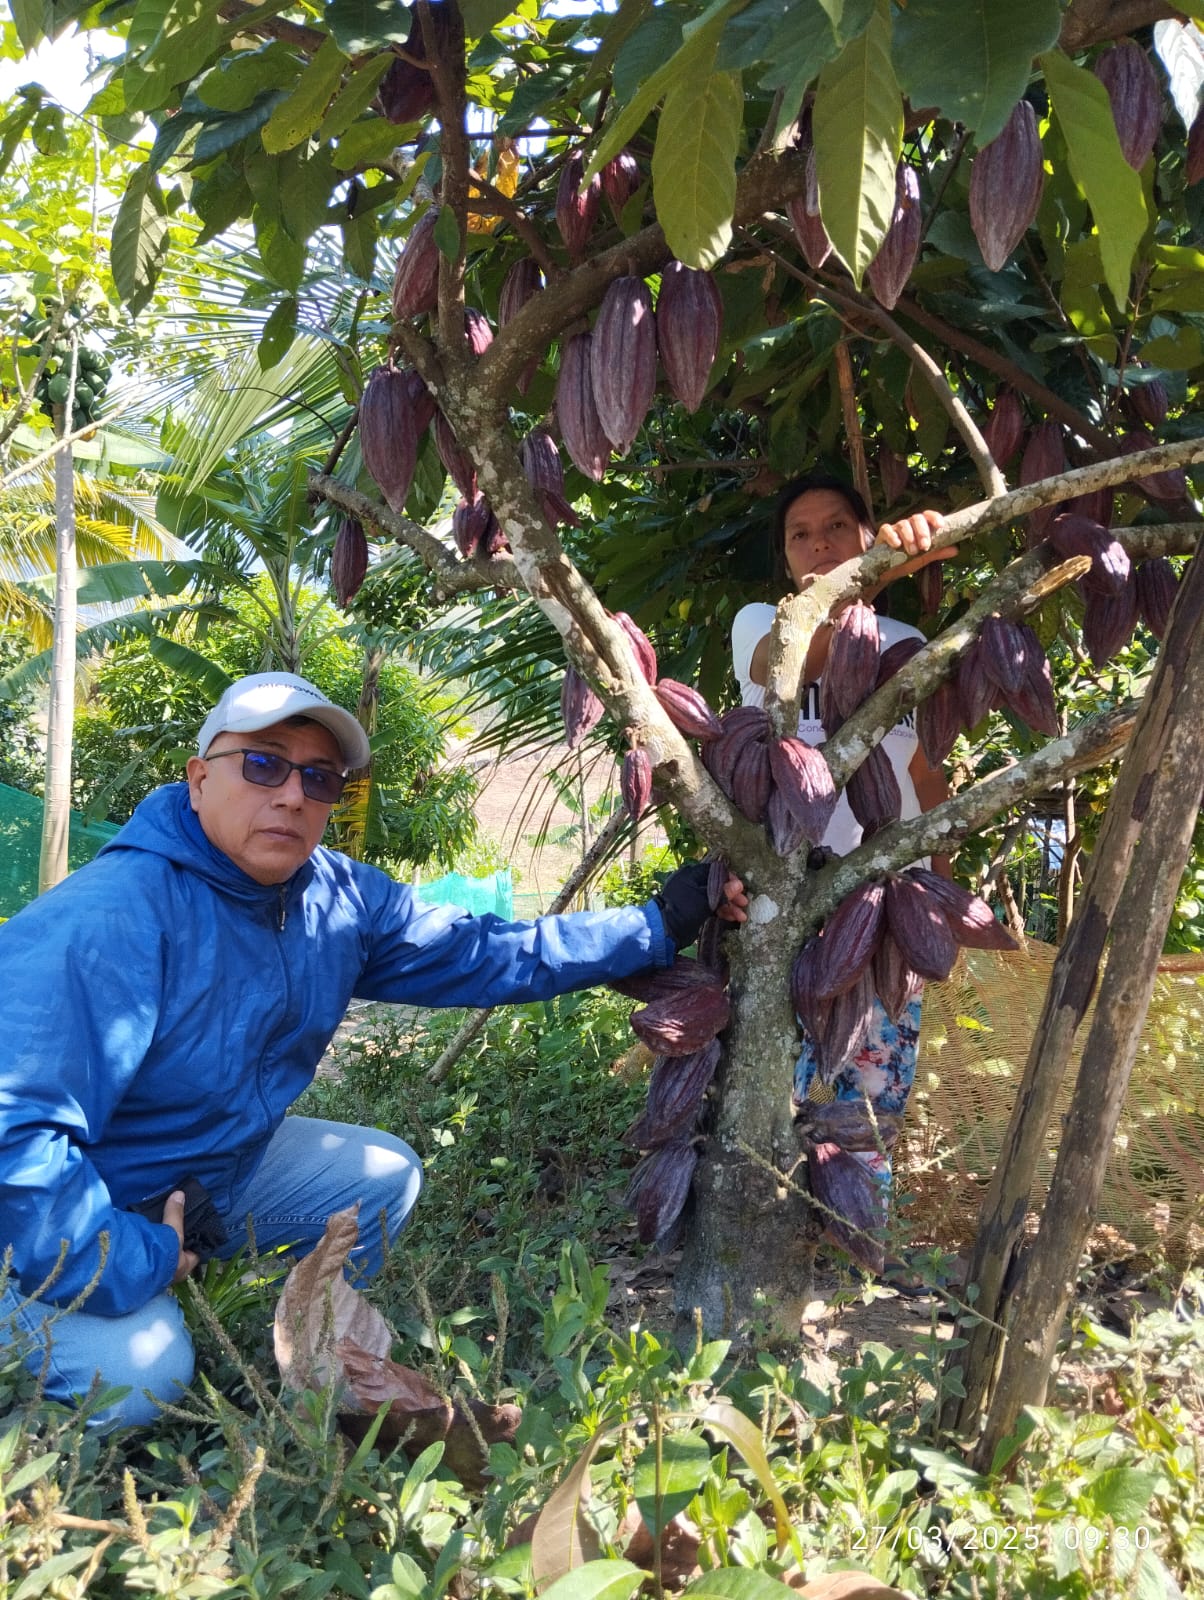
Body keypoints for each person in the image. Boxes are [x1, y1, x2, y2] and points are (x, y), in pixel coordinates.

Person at [0, 671, 747, 1427]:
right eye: (263, 763)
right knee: (142, 1374)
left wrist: (657, 923)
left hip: (185, 1181)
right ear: (198, 778)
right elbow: (14, 1142)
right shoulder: (109, 918)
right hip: (36, 1217)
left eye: (319, 779)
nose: (292, 794)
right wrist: (143, 1257)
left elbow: (487, 950)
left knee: (381, 1179)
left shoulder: (332, 898)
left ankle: (306, 1359)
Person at [730, 473, 953, 1286]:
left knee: (874, 1080)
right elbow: (794, 662)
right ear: (786, 557)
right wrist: (873, 575)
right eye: (800, 533)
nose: (820, 543)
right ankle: (781, 1228)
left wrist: (943, 891)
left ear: (864, 532)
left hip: (888, 891)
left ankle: (858, 1241)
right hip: (794, 888)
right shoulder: (765, 623)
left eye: (837, 527)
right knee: (783, 1067)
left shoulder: (909, 647)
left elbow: (928, 779)